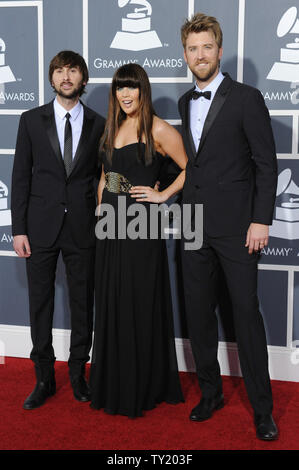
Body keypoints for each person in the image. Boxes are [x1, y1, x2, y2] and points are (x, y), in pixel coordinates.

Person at [178, 13, 278, 440]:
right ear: (184, 55)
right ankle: (211, 392)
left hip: (239, 228)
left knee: (245, 317)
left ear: (219, 50)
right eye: (192, 48)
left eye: (206, 47)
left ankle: (262, 410)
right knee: (198, 316)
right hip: (194, 226)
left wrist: (261, 220)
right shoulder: (185, 103)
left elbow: (266, 166)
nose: (199, 55)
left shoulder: (247, 98)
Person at [89, 63, 187, 418]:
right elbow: (105, 175)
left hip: (140, 226)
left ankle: (144, 384)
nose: (125, 95)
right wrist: (102, 207)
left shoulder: (159, 129)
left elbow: (192, 168)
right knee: (113, 299)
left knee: (138, 300)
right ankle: (115, 380)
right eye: (120, 88)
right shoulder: (111, 126)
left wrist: (164, 196)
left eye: (132, 88)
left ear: (143, 90)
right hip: (110, 227)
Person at [11, 51, 105, 410]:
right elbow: (20, 177)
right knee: (40, 306)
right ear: (52, 79)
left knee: (82, 305)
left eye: (73, 71)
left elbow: (101, 177)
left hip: (84, 226)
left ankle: (79, 374)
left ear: (83, 77)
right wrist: (19, 228)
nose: (66, 77)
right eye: (60, 71)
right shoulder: (31, 120)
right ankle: (44, 378)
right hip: (39, 227)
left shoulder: (99, 123)